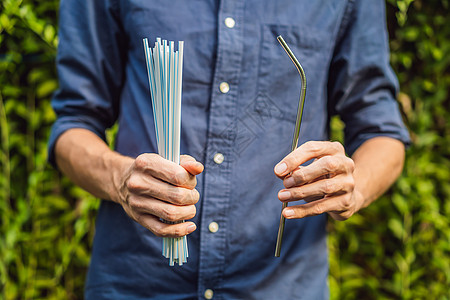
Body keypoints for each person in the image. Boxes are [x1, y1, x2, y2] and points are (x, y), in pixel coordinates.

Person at [49, 0, 410, 299]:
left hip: (282, 285)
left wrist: (353, 186)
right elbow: (73, 124)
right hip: (138, 281)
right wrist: (122, 180)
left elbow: (380, 130)